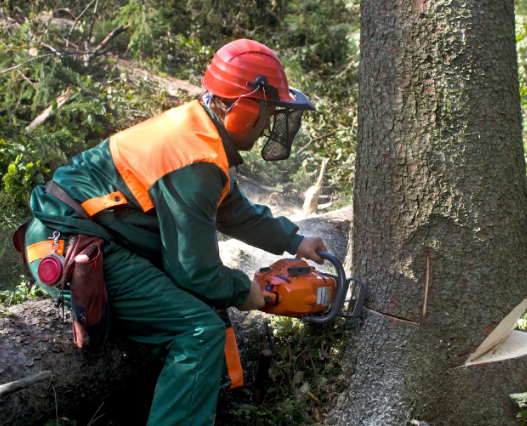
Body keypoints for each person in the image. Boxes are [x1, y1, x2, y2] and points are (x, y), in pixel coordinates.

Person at [22, 38, 327, 425]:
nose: (269, 126)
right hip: (74, 247)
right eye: (267, 114)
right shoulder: (194, 161)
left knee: (197, 311)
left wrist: (294, 241)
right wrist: (248, 293)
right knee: (199, 332)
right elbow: (195, 271)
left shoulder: (198, 135)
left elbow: (234, 211)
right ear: (243, 110)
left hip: (92, 235)